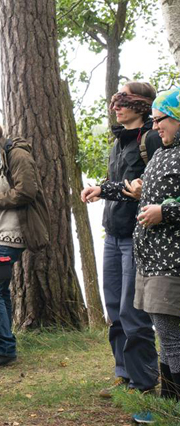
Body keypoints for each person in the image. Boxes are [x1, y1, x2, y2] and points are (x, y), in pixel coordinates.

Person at [80, 82, 161, 399]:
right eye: (115, 100)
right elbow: (120, 183)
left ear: (141, 105)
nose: (116, 106)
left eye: (123, 100)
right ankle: (123, 373)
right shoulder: (119, 143)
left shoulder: (151, 139)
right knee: (114, 308)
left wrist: (112, 190)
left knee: (133, 311)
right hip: (112, 235)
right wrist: (101, 188)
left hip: (137, 237)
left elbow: (150, 186)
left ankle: (143, 381)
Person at [0, 112, 49, 368]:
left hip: (14, 232)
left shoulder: (16, 154)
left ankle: (5, 349)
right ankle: (5, 346)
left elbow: (26, 192)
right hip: (1, 231)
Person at [131, 88, 180, 424]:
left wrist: (166, 211)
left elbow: (168, 205)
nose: (155, 127)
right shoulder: (162, 151)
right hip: (151, 258)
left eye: (160, 120)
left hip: (172, 260)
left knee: (172, 338)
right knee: (164, 335)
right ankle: (169, 405)